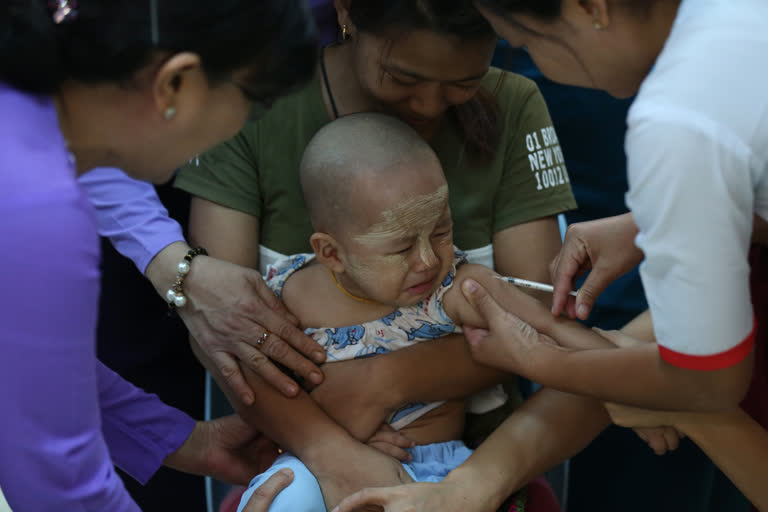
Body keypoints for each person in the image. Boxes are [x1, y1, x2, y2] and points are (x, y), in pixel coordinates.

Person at [333, 0, 768, 509]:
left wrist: (540, 359)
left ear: (590, 8)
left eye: (526, 44)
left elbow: (702, 383)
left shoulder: (679, 119)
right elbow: (653, 359)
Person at [0, 1, 318, 510]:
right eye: (256, 105)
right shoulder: (41, 205)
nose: (242, 130)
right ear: (176, 83)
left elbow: (26, 366)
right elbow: (63, 490)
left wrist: (187, 441)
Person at [234, 113, 569, 512]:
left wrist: (614, 357)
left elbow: (542, 333)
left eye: (442, 232)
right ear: (331, 253)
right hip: (318, 464)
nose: (428, 260)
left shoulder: (455, 288)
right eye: (400, 247)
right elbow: (255, 379)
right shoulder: (286, 294)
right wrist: (332, 443)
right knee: (282, 499)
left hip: (440, 470)